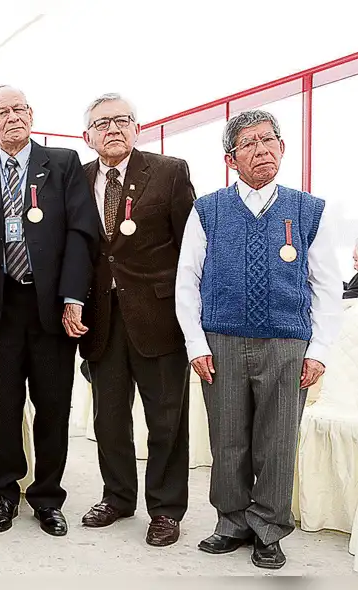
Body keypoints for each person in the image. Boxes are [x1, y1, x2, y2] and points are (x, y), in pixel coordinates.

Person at [176, 109, 341, 569]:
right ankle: (231, 523)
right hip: (221, 341)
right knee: (227, 438)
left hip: (288, 345)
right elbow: (186, 280)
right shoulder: (206, 209)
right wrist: (196, 343)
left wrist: (320, 350)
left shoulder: (310, 210)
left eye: (269, 140)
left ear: (283, 148)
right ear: (231, 158)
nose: (262, 149)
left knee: (277, 440)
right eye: (249, 143)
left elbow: (327, 285)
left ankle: (269, 528)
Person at [0, 86, 100, 536]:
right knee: (2, 408)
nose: (12, 118)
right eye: (1, 112)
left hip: (51, 307)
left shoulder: (61, 163)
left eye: (18, 109)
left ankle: (47, 497)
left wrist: (72, 298)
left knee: (53, 407)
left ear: (31, 114)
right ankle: (3, 494)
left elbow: (81, 233)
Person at [77, 94, 195, 547]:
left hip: (159, 316)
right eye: (102, 123)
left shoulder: (169, 171)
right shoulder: (78, 179)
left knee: (165, 419)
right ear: (86, 136)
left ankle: (165, 509)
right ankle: (118, 496)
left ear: (137, 127)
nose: (114, 129)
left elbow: (191, 247)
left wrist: (192, 315)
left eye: (123, 120)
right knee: (109, 418)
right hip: (101, 319)